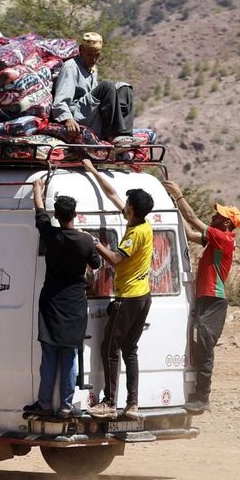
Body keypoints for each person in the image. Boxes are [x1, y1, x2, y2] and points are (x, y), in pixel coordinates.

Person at [23, 177, 102, 418]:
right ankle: (67, 405)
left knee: (48, 356)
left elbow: (39, 212)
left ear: (57, 215)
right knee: (70, 355)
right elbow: (96, 264)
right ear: (75, 214)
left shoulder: (50, 235)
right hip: (75, 304)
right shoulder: (85, 241)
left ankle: (45, 403)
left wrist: (37, 189)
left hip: (51, 303)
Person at [163, 179, 240, 415]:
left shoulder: (223, 238)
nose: (214, 217)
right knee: (199, 346)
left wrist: (178, 196)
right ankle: (197, 394)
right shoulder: (215, 240)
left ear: (227, 223)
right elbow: (188, 232)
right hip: (206, 299)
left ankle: (202, 397)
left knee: (205, 348)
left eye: (218, 216)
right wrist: (171, 208)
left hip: (214, 300)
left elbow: (193, 220)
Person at [82, 158, 154, 419]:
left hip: (129, 298)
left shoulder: (135, 234)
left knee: (109, 348)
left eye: (127, 206)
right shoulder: (143, 224)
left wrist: (94, 242)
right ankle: (132, 404)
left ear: (132, 210)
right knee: (129, 349)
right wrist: (92, 171)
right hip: (143, 296)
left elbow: (114, 260)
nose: (123, 207)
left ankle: (110, 401)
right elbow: (112, 194)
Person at [50, 32, 137, 145]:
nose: (94, 59)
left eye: (97, 55)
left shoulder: (92, 69)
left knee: (125, 88)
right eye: (90, 55)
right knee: (107, 85)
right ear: (81, 50)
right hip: (78, 115)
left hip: (92, 114)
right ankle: (113, 135)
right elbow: (61, 99)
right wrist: (68, 119)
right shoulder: (71, 67)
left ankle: (123, 135)